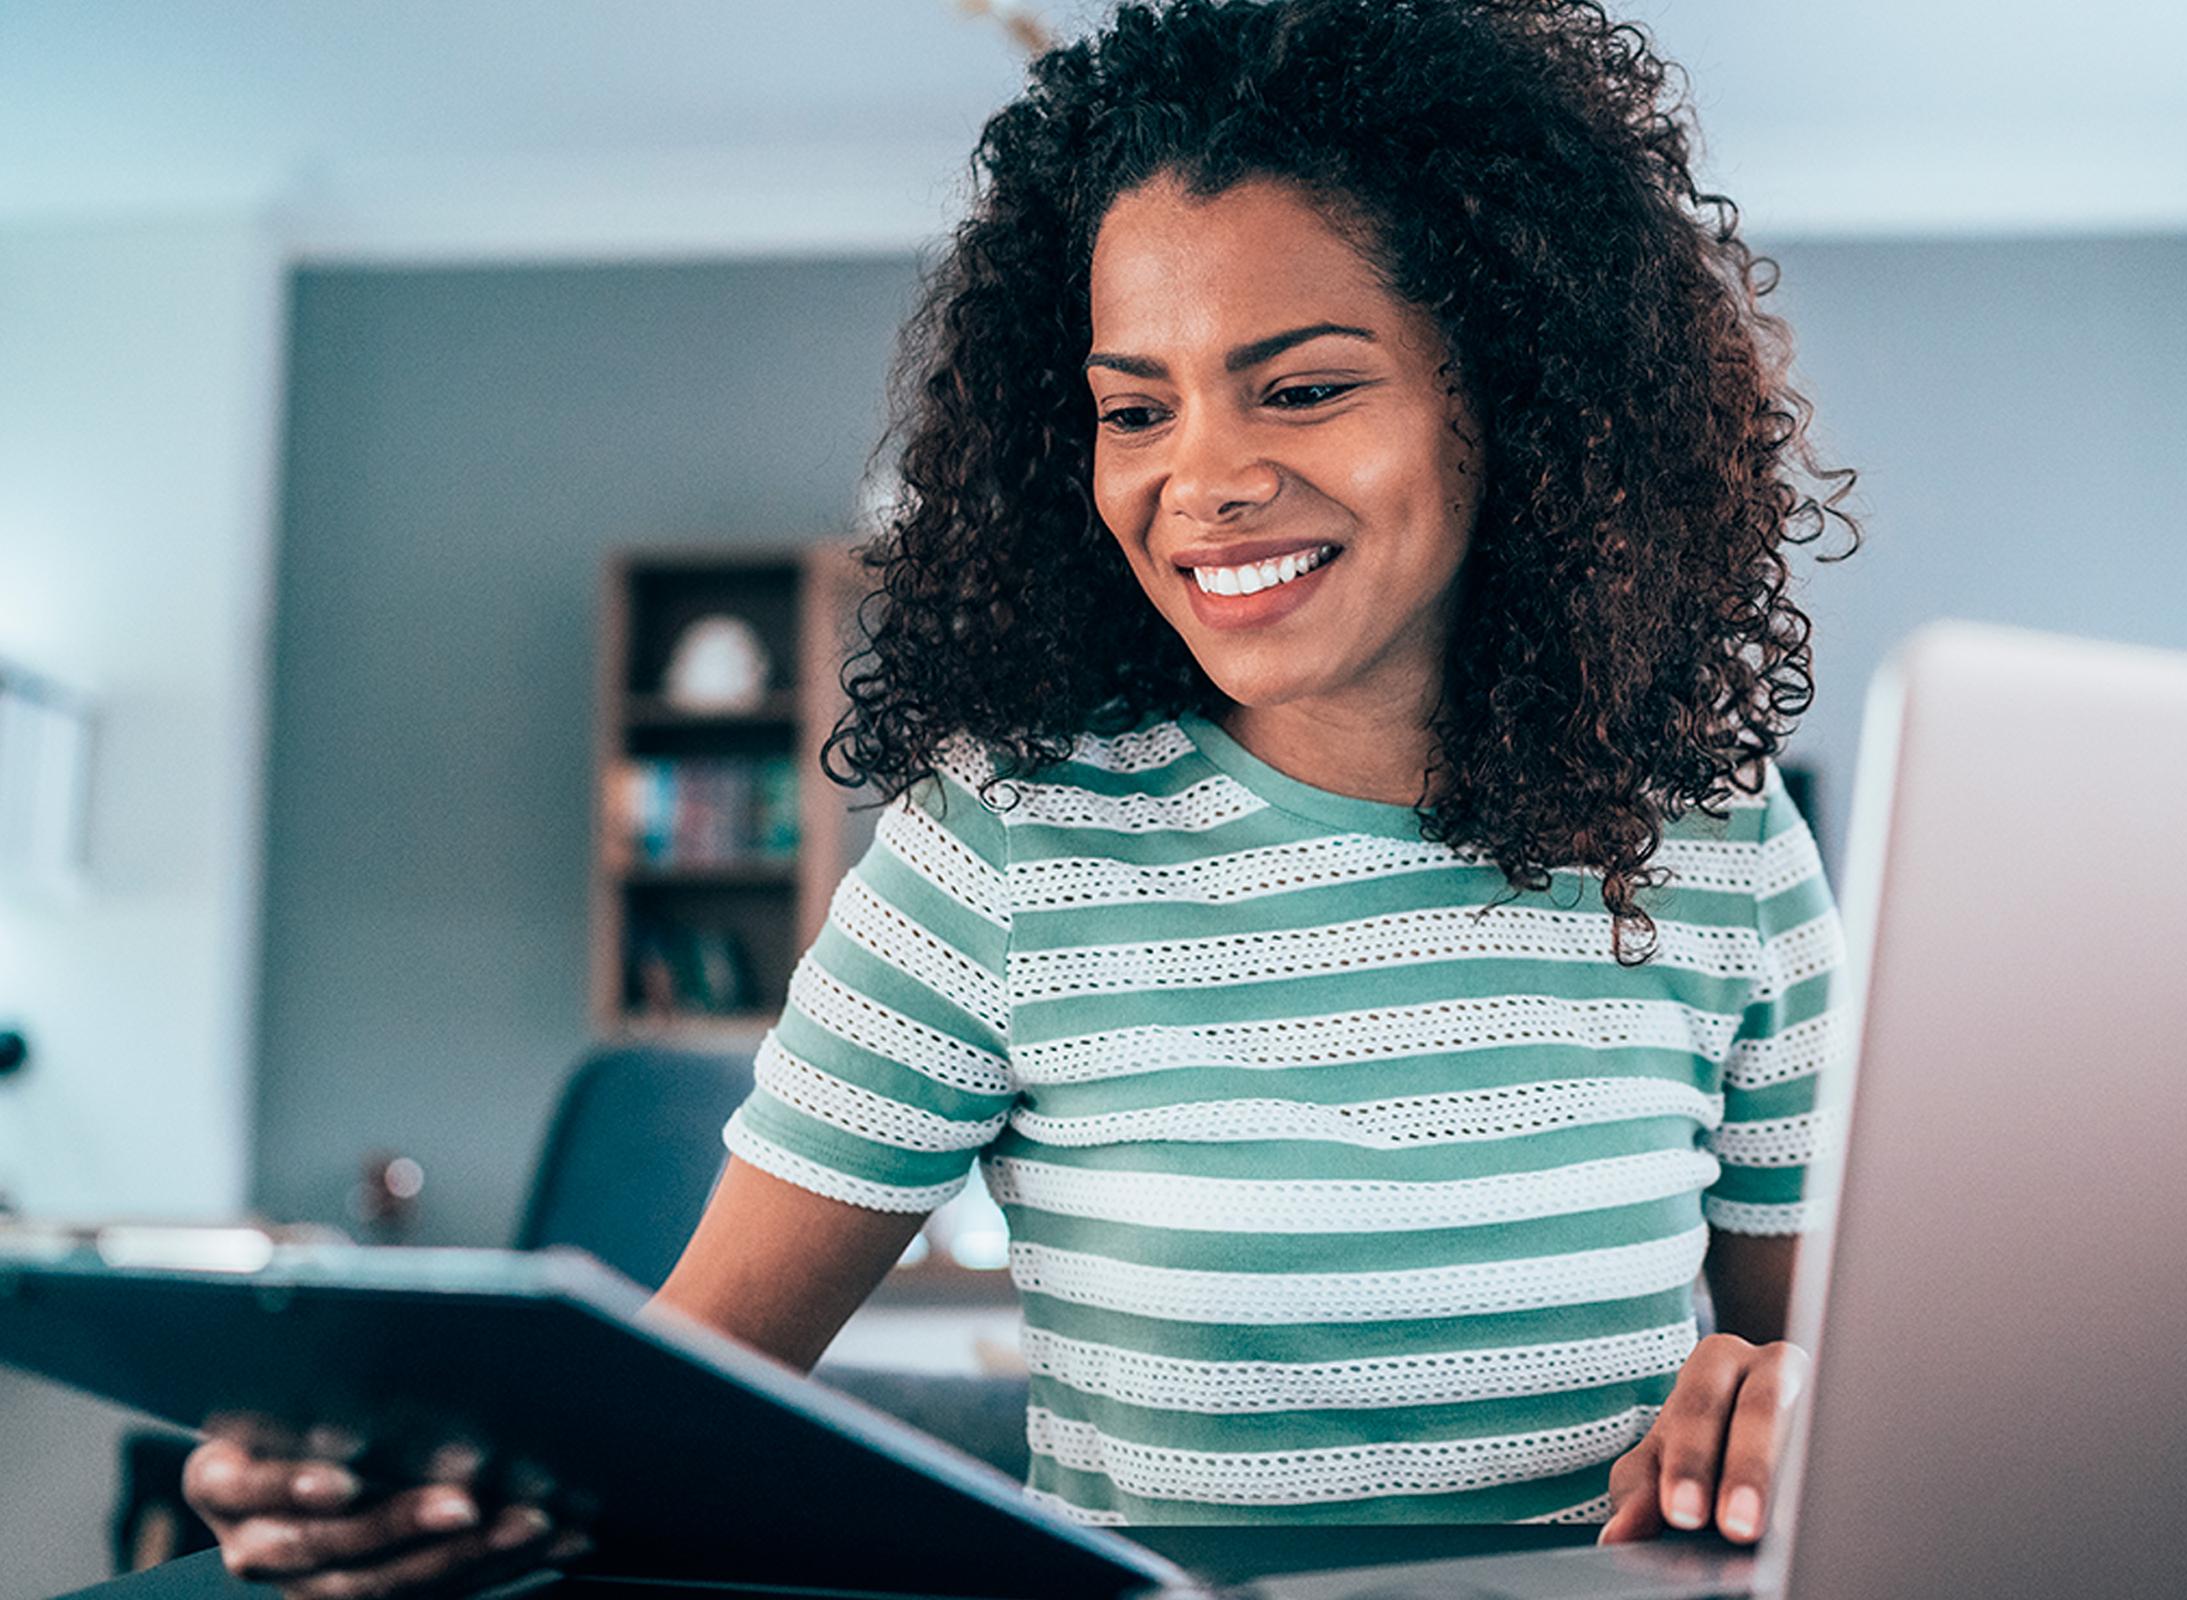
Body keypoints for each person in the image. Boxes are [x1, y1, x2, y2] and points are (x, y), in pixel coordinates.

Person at [183, 0, 1859, 1591]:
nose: (1198, 479)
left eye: (1304, 385)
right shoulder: (1001, 852)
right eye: (1136, 408)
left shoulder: (1716, 843)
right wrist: (409, 1484)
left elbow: (1839, 1377)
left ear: (1514, 401)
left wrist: (1792, 1415)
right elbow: (671, 1405)